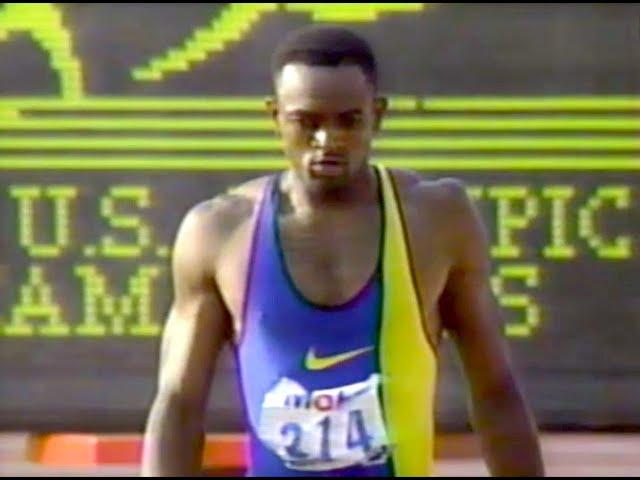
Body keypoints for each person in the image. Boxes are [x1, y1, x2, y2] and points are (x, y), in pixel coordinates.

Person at [141, 25, 544, 477]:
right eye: (307, 122)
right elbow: (178, 402)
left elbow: (495, 389)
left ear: (378, 116)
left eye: (348, 121)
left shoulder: (435, 220)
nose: (326, 140)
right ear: (275, 117)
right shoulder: (219, 232)